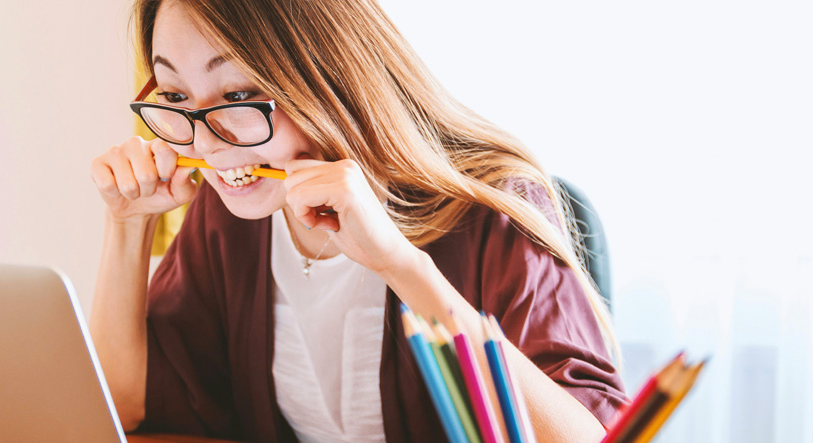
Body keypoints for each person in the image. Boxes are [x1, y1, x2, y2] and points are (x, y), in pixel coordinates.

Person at [89, 0, 628, 441]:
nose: (206, 144)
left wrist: (399, 265)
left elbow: (587, 438)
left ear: (330, 77)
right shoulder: (231, 213)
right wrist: (128, 224)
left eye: (239, 95)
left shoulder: (494, 207)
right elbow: (126, 407)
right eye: (177, 96)